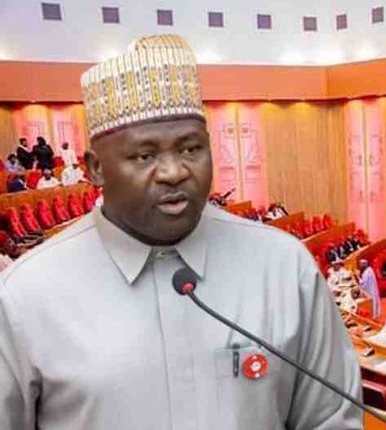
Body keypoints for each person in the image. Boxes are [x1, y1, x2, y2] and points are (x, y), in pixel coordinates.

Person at [0, 35, 362, 430]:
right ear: (96, 168)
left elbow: (331, 419)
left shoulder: (283, 266)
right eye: (145, 156)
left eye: (190, 149)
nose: (174, 172)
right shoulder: (24, 297)